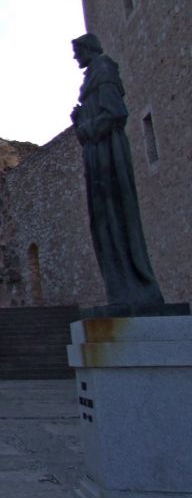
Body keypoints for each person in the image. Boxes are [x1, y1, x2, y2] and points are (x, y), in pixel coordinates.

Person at [70, 33, 164, 308]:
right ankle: (121, 289)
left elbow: (115, 113)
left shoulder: (104, 70)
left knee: (114, 215)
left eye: (77, 51)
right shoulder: (94, 75)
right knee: (104, 219)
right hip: (96, 152)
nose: (76, 57)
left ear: (89, 49)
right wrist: (80, 120)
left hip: (107, 151)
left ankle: (135, 288)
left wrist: (86, 127)